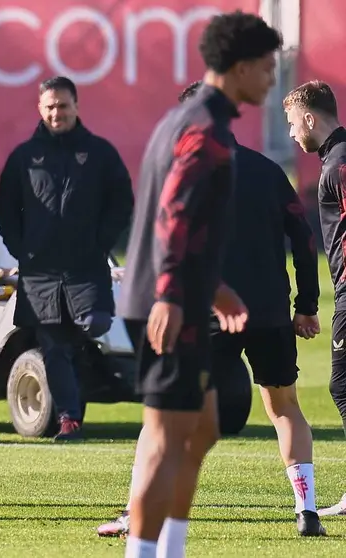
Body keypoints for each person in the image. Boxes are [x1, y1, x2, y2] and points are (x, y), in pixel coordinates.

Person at [98, 80, 326, 539]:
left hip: (210, 315)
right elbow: (304, 241)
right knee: (285, 408)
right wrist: (304, 305)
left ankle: (135, 512)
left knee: (165, 414)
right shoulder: (267, 171)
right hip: (269, 314)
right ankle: (307, 511)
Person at [118, 12, 282, 557]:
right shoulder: (204, 131)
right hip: (169, 305)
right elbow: (174, 217)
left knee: (204, 428)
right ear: (238, 68)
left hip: (183, 297)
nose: (272, 77)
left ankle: (172, 548)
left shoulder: (186, 117)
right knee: (167, 441)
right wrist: (172, 294)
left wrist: (216, 289)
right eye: (266, 66)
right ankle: (146, 553)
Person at [0, 76, 134, 441]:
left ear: (76, 106)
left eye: (63, 105)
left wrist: (101, 242)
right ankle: (69, 418)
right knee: (53, 346)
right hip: (39, 273)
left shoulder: (100, 153)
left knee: (95, 324)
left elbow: (122, 202)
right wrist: (21, 247)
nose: (57, 112)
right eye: (50, 106)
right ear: (41, 109)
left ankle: (80, 369)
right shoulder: (25, 157)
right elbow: (6, 207)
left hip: (86, 268)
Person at [283, 79, 346, 517]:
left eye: (291, 123)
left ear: (310, 118)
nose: (290, 133)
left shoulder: (339, 164)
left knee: (342, 385)